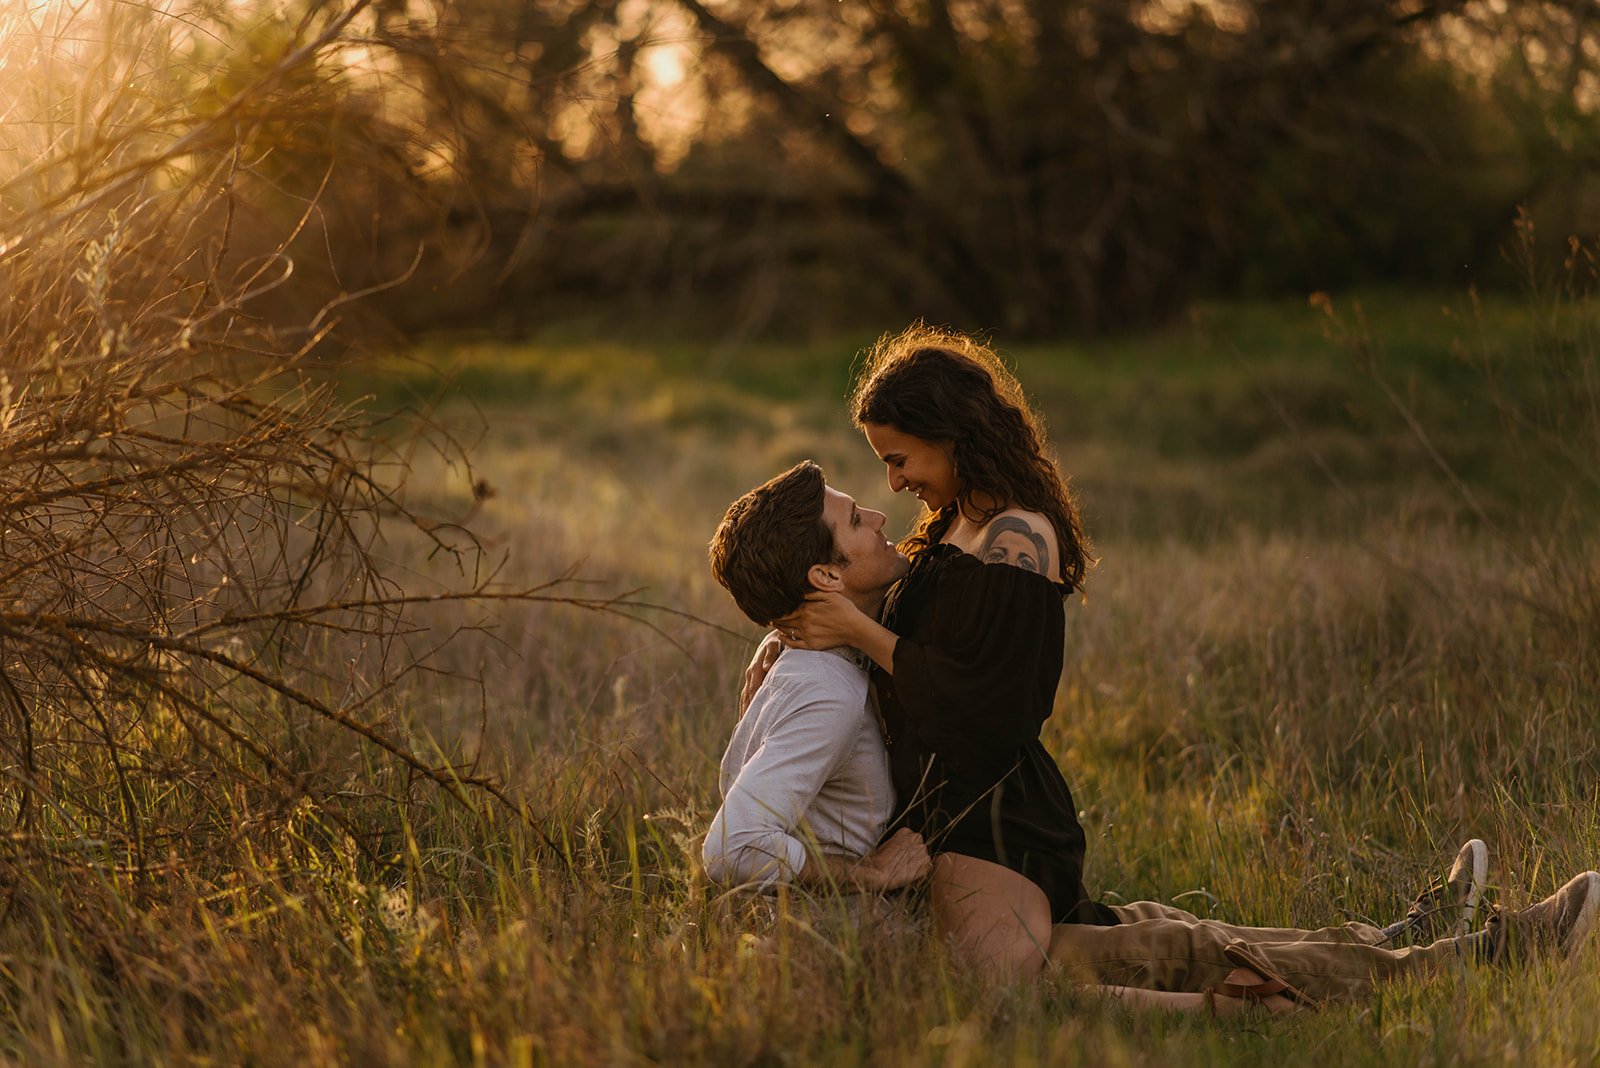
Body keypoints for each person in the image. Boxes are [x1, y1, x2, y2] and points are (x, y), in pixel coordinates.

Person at [709, 461, 1600, 1011]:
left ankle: (1411, 930)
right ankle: (1488, 954)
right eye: (856, 518)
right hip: (927, 939)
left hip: (961, 903)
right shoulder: (823, 684)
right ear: (827, 572)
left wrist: (784, 635)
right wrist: (863, 877)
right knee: (1187, 954)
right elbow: (731, 851)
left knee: (1161, 926)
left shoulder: (820, 654)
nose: (880, 515)